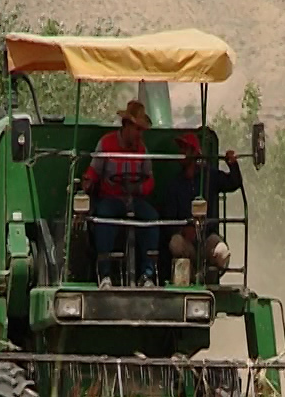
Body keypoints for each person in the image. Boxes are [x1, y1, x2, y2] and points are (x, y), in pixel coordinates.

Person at [81, 100, 159, 289]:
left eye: (142, 130)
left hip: (135, 200)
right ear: (126, 125)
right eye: (137, 129)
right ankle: (105, 274)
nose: (140, 134)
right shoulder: (106, 143)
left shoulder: (142, 149)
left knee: (152, 218)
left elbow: (150, 179)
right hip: (110, 199)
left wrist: (138, 189)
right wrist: (87, 181)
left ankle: (147, 275)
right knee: (103, 217)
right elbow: (93, 171)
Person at [163, 132, 242, 276]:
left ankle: (206, 275)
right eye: (181, 149)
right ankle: (192, 275)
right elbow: (169, 219)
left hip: (207, 238)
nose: (181, 153)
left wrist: (232, 164)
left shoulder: (209, 176)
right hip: (187, 243)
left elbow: (233, 183)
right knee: (175, 243)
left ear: (194, 153)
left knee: (222, 253)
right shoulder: (174, 185)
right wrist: (183, 230)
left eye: (185, 149)